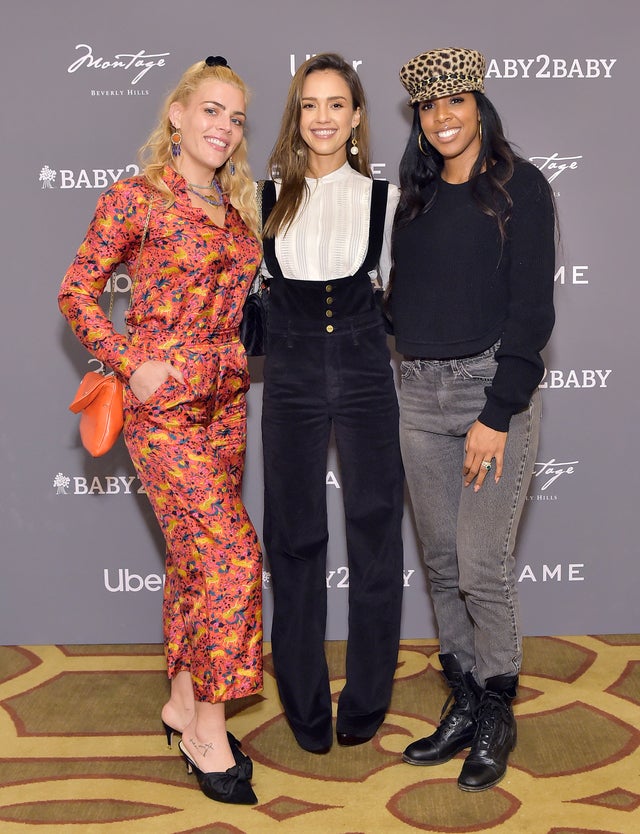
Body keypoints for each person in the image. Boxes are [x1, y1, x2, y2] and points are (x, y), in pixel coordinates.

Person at [59, 56, 262, 805]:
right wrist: (127, 359)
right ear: (176, 115)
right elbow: (77, 291)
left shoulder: (238, 209)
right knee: (234, 558)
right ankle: (208, 726)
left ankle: (180, 700)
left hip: (227, 405)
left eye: (236, 118)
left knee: (193, 561)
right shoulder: (136, 197)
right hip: (164, 409)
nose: (224, 128)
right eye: (211, 111)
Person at [391, 47, 556, 791]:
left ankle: (497, 705)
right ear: (419, 121)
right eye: (429, 107)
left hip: (492, 396)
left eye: (455, 101)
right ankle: (460, 698)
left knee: (482, 565)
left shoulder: (522, 188)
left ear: (479, 106)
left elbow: (532, 315)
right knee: (442, 564)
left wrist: (497, 412)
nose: (443, 116)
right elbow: (403, 305)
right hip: (417, 399)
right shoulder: (415, 197)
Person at [260, 53, 404, 754]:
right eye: (310, 104)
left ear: (355, 118)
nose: (322, 116)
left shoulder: (387, 200)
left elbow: (410, 299)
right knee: (293, 536)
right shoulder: (260, 199)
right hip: (287, 375)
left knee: (375, 529)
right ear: (298, 116)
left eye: (336, 104)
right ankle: (303, 698)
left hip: (365, 368)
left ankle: (369, 694)